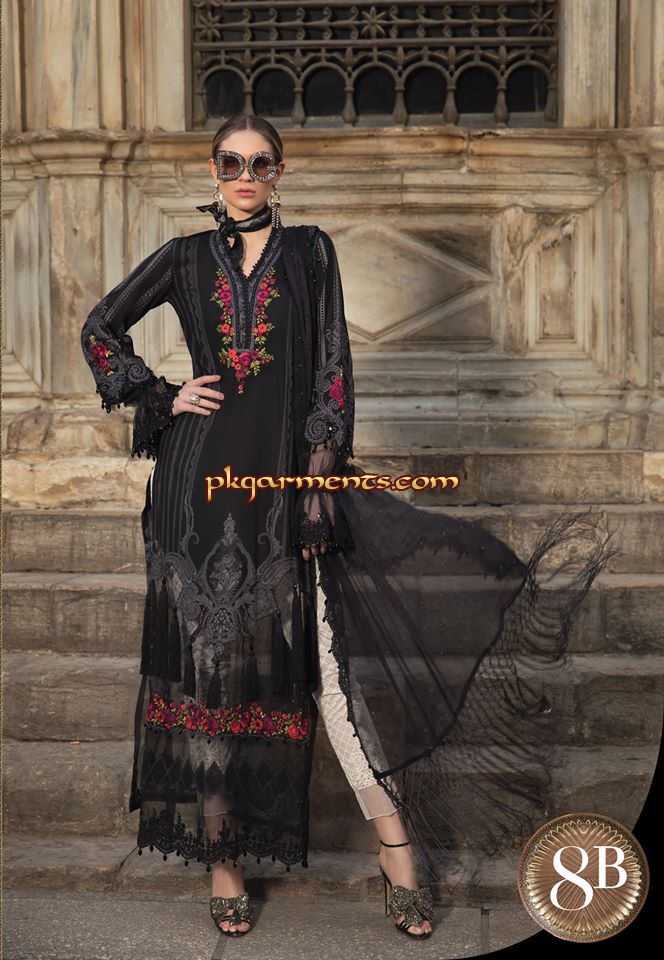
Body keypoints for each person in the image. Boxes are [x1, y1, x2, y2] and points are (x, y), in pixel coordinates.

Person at [81, 114, 614, 941]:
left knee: (327, 672)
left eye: (260, 163)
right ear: (213, 170)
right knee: (209, 675)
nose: (245, 176)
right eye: (231, 162)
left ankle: (397, 851)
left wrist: (318, 490)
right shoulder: (184, 258)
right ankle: (223, 861)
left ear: (280, 172)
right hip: (198, 488)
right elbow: (100, 328)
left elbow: (331, 373)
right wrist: (161, 394)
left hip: (288, 487)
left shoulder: (309, 252)